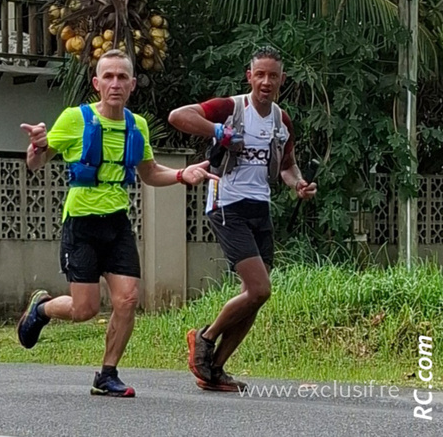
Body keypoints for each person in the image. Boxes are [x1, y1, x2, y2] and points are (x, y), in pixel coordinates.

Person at [17, 50, 215, 397]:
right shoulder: (75, 119)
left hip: (117, 224)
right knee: (84, 309)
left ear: (132, 84)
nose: (115, 83)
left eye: (122, 77)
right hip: (81, 224)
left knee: (127, 299)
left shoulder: (136, 125)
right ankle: (42, 309)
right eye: (108, 77)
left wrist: (182, 174)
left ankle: (107, 375)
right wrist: (36, 146)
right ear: (96, 83)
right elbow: (36, 162)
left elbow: (149, 172)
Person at [167, 46, 317, 392]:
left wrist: (299, 184)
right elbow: (178, 116)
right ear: (249, 76)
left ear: (282, 80)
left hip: (259, 207)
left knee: (254, 297)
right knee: (260, 288)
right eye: (259, 74)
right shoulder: (231, 108)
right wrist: (217, 131)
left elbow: (287, 166)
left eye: (273, 76)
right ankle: (204, 338)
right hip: (227, 203)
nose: (266, 81)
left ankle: (214, 370)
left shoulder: (281, 120)